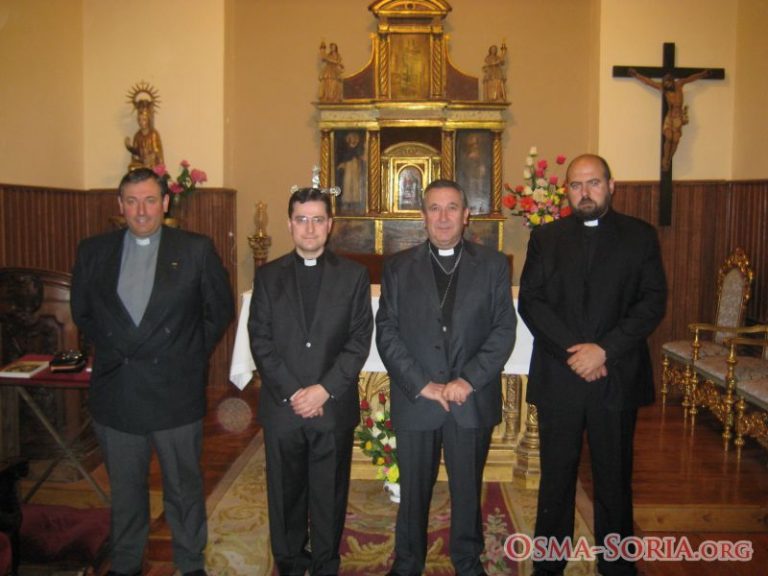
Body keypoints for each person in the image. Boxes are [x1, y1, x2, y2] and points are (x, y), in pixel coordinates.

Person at [71, 167, 234, 576]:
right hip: (118, 389)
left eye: (149, 200)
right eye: (131, 201)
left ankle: (190, 562)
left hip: (174, 390)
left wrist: (187, 354)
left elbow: (219, 310)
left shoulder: (195, 249)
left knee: (183, 488)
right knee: (125, 491)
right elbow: (82, 313)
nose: (141, 210)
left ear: (165, 202)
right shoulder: (93, 251)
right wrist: (118, 348)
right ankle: (126, 563)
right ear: (120, 205)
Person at [518, 154, 667, 576]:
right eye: (576, 185)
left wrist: (604, 350)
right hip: (560, 375)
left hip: (615, 375)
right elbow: (532, 301)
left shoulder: (640, 236)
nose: (584, 192)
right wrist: (577, 352)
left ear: (611, 185)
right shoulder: (546, 237)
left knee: (614, 477)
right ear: (566, 190)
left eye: (593, 183)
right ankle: (549, 565)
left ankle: (616, 565)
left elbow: (651, 301)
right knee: (556, 477)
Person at [376, 179, 517, 576]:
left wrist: (468, 380)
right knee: (413, 492)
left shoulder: (492, 265)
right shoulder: (399, 267)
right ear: (423, 216)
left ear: (466, 215)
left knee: (467, 490)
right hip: (417, 398)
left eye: (451, 207)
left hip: (468, 398)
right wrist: (422, 383)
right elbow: (386, 331)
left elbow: (503, 330)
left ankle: (468, 562)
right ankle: (408, 563)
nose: (442, 217)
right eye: (434, 208)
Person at [248, 187, 373, 576]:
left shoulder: (353, 276)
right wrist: (293, 392)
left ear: (330, 225)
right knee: (284, 492)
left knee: (328, 493)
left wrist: (324, 389)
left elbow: (359, 341)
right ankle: (288, 562)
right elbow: (260, 340)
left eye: (318, 219)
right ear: (289, 224)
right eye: (301, 219)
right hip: (282, 407)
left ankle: (324, 562)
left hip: (331, 406)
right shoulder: (268, 277)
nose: (310, 228)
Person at [628, 68, 710, 171]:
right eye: (666, 85)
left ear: (672, 81)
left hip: (678, 118)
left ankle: (669, 159)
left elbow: (690, 78)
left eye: (669, 84)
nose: (668, 86)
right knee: (669, 137)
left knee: (676, 139)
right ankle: (665, 159)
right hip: (670, 117)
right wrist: (636, 75)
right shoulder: (664, 89)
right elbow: (649, 82)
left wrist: (702, 74)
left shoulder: (679, 84)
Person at [125, 101, 165, 171]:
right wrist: (129, 147)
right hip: (142, 163)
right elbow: (135, 154)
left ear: (148, 120)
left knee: (153, 168)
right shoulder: (137, 135)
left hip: (152, 163)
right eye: (139, 120)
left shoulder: (153, 134)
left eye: (144, 120)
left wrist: (151, 157)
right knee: (131, 168)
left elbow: (157, 152)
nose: (141, 122)